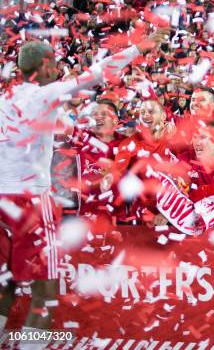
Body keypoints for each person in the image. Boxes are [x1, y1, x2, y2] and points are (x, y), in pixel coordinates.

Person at [0, 29, 167, 334]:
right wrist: (136, 49)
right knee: (44, 294)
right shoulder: (44, 95)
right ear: (45, 66)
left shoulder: (4, 101)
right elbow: (97, 73)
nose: (59, 69)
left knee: (5, 284)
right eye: (55, 64)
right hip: (31, 202)